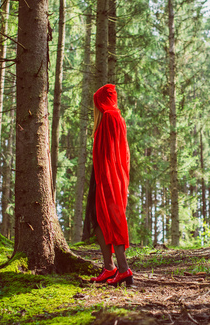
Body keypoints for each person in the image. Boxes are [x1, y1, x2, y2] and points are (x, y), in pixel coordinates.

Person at [89, 84, 133, 286]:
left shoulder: (109, 117)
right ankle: (110, 268)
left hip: (106, 176)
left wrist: (108, 180)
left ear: (101, 101)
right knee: (98, 217)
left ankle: (122, 269)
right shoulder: (116, 117)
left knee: (112, 215)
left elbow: (110, 154)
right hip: (105, 174)